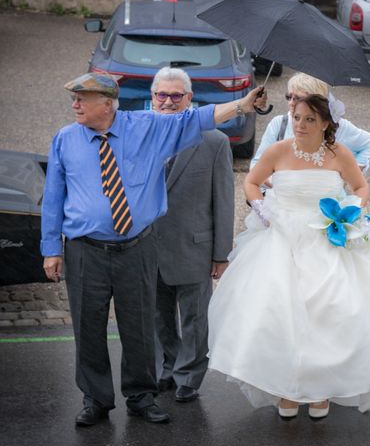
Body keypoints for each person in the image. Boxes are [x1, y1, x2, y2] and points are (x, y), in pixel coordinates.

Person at [41, 72, 265, 426]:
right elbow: (53, 196)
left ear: (108, 103)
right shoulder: (65, 140)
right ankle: (95, 399)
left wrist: (241, 104)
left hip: (136, 247)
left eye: (82, 99)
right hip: (85, 250)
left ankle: (141, 396)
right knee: (88, 328)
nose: (75, 105)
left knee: (139, 326)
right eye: (75, 99)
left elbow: (198, 118)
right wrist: (51, 248)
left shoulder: (145, 127)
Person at [207, 94, 370, 420]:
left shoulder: (339, 154)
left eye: (310, 120)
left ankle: (320, 391)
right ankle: (288, 390)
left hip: (324, 240)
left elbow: (360, 188)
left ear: (327, 124)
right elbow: (251, 181)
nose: (301, 125)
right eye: (297, 117)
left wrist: (349, 213)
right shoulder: (278, 151)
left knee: (327, 315)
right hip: (282, 241)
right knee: (278, 315)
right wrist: (260, 208)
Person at [150, 67, 234, 403]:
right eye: (161, 95)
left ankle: (189, 375)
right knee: (158, 314)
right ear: (152, 97)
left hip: (194, 246)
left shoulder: (214, 141)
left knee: (196, 318)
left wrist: (221, 253)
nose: (168, 102)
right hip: (148, 245)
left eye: (176, 96)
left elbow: (224, 199)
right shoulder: (140, 134)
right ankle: (167, 366)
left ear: (190, 99)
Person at [250, 72, 370, 174]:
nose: (291, 102)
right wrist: (277, 183)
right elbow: (257, 164)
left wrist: (349, 171)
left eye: (298, 98)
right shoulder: (279, 124)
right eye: (289, 97)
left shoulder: (339, 127)